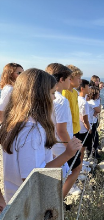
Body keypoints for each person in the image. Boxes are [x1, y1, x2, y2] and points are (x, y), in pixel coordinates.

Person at [0, 68, 82, 203]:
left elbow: (25, 160)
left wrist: (49, 156)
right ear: (40, 95)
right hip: (32, 204)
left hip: (16, 199)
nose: (54, 97)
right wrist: (67, 154)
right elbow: (33, 177)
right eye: (52, 92)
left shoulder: (13, 122)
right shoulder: (32, 131)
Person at [45, 63, 82, 196]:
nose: (69, 81)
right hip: (62, 145)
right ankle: (59, 200)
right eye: (68, 78)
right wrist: (71, 148)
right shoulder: (61, 100)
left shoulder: (47, 97)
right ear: (61, 79)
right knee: (76, 168)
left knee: (56, 174)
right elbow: (62, 130)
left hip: (51, 143)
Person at [76, 79, 92, 161]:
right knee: (82, 149)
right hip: (83, 129)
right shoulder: (84, 103)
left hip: (78, 128)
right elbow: (85, 119)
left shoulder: (77, 98)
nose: (89, 88)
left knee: (78, 149)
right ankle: (80, 166)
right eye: (88, 86)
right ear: (82, 88)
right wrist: (89, 129)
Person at [87, 86, 101, 158]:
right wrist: (98, 108)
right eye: (97, 94)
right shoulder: (92, 102)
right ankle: (93, 153)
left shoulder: (92, 101)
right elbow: (99, 110)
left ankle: (92, 152)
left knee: (93, 138)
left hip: (93, 121)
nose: (99, 95)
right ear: (93, 94)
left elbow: (98, 109)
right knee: (94, 138)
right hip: (90, 122)